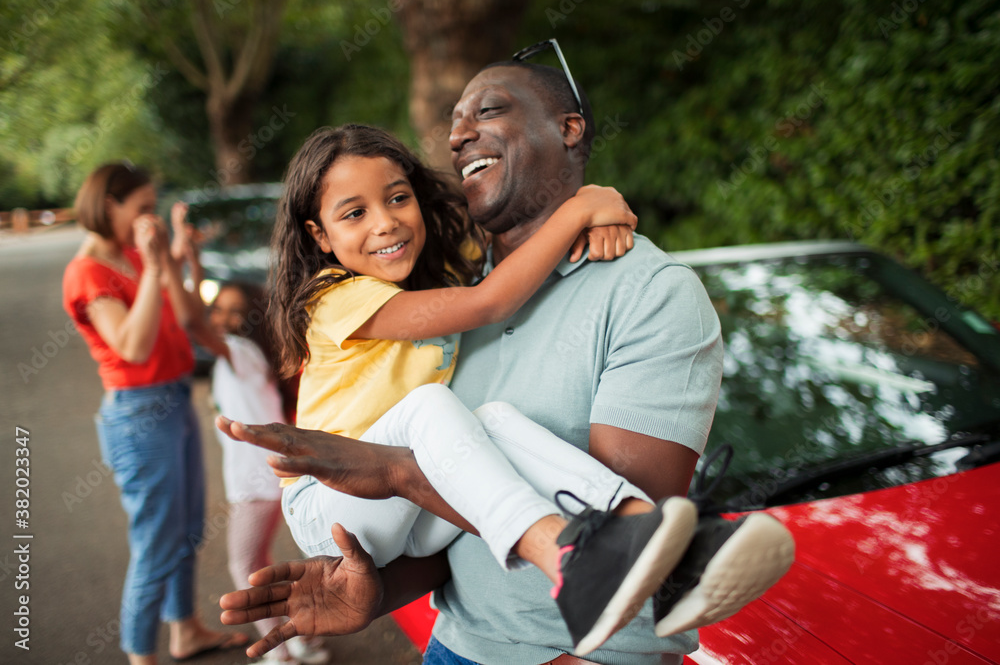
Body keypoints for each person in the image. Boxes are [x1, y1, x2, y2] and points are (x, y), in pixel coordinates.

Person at [219, 53, 794, 665]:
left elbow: (457, 497)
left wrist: (591, 208)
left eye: (488, 109)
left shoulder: (647, 292)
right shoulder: (400, 294)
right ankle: (570, 553)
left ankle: (657, 558)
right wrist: (582, 209)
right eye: (354, 213)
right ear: (320, 234)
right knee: (436, 409)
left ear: (570, 129)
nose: (458, 133)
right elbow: (491, 302)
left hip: (568, 651)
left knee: (486, 425)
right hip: (343, 516)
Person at [62, 162, 249, 664]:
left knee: (186, 529)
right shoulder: (87, 273)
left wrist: (183, 258)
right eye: (142, 208)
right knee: (155, 545)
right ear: (109, 207)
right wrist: (151, 262)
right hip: (139, 415)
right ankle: (140, 656)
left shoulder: (131, 255)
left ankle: (184, 631)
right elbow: (133, 345)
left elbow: (186, 315)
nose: (150, 219)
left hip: (176, 400)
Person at [200, 279, 330, 665]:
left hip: (257, 483)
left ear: (251, 319)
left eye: (234, 310)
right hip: (271, 476)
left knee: (244, 564)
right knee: (260, 562)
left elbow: (192, 325)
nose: (222, 318)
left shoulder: (239, 352)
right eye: (217, 308)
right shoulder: (254, 353)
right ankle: (299, 640)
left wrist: (174, 263)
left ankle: (281, 653)